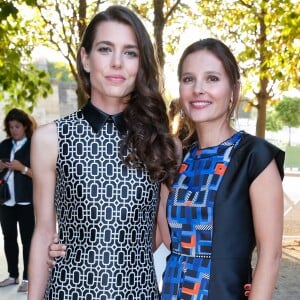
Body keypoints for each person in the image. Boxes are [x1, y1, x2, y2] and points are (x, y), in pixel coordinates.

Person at [28, 5, 179, 300]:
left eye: (130, 52)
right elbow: (44, 232)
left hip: (138, 292)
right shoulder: (50, 139)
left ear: (141, 64)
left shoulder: (163, 144)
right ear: (85, 58)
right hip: (68, 291)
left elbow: (163, 234)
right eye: (105, 49)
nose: (117, 63)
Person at [157, 38, 285, 299]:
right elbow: (171, 241)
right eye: (189, 79)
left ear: (233, 89)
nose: (198, 89)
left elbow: (270, 257)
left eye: (212, 78)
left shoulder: (254, 157)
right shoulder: (177, 160)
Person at [0, 108, 35, 293]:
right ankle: (13, 274)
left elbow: (40, 175)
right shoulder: (4, 145)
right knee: (9, 238)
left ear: (25, 126)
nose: (14, 130)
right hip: (6, 200)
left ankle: (28, 279)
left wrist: (22, 168)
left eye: (17, 126)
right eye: (11, 126)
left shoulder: (33, 146)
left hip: (26, 201)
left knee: (28, 240)